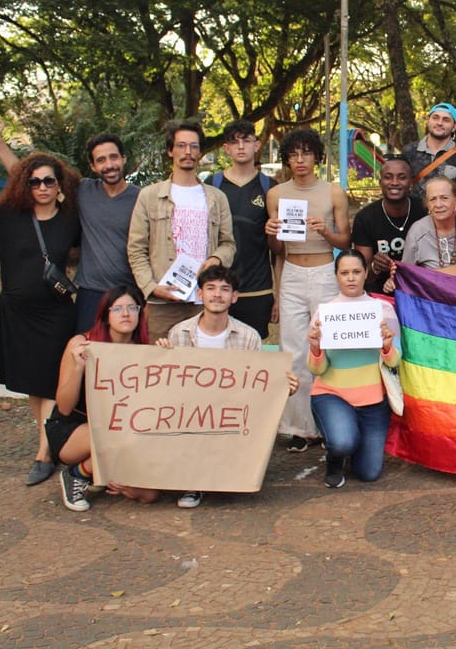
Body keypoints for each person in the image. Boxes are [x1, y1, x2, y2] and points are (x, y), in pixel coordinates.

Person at [0, 148, 81, 486]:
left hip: (56, 313)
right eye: (34, 181)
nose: (41, 187)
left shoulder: (70, 219)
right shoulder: (7, 215)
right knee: (32, 383)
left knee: (50, 379)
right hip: (18, 313)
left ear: (59, 184)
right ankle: (48, 441)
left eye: (48, 181)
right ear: (25, 184)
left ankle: (44, 452)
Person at [158, 264, 297, 507]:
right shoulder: (179, 334)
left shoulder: (249, 336)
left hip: (230, 414)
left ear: (234, 297)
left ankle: (229, 473)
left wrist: (283, 387)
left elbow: (258, 386)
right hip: (192, 414)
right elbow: (170, 389)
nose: (217, 295)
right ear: (199, 294)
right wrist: (161, 360)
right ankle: (192, 483)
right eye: (210, 288)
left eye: (224, 289)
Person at [0, 121, 141, 334]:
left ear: (123, 159)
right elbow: (28, 175)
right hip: (91, 292)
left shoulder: (142, 198)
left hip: (128, 292)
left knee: (125, 358)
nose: (109, 165)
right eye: (101, 160)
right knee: (87, 356)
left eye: (114, 157)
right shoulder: (83, 191)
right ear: (93, 166)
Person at [265, 127, 351, 452]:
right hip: (293, 271)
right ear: (286, 159)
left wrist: (325, 232)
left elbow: (345, 240)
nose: (299, 160)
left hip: (325, 270)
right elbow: (276, 246)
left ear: (317, 156)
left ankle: (328, 424)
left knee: (326, 348)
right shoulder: (276, 194)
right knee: (293, 350)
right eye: (293, 155)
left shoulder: (333, 192)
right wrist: (271, 231)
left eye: (306, 153)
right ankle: (298, 428)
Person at [49, 285, 159, 511]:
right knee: (119, 436)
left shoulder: (143, 350)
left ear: (141, 312)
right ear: (105, 315)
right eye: (117, 309)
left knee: (149, 494)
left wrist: (166, 355)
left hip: (119, 428)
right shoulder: (82, 343)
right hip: (74, 429)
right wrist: (79, 368)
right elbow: (65, 407)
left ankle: (104, 471)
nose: (126, 313)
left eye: (132, 307)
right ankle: (77, 474)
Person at [127, 121, 236, 341]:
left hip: (204, 302)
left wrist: (217, 258)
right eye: (181, 145)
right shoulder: (150, 196)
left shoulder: (217, 198)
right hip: (163, 302)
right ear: (170, 150)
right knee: (161, 367)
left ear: (200, 152)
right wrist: (151, 287)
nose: (188, 152)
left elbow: (228, 243)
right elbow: (136, 249)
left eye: (194, 146)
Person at [306, 250, 401, 489]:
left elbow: (395, 362)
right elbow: (316, 369)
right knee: (343, 443)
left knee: (368, 473)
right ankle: (335, 458)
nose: (351, 278)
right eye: (344, 273)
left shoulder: (383, 310)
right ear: (336, 276)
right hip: (332, 394)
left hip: (373, 401)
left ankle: (350, 439)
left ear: (366, 273)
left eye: (356, 272)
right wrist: (316, 348)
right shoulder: (324, 313)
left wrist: (387, 346)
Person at [209, 120, 277, 338]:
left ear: (257, 145)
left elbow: (279, 250)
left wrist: (278, 293)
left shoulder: (270, 187)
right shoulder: (212, 184)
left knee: (253, 353)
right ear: (225, 148)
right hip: (218, 285)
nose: (240, 146)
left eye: (246, 140)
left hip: (258, 287)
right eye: (234, 141)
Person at [351, 156, 426, 294]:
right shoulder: (365, 218)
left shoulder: (424, 211)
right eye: (388, 177)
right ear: (380, 182)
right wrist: (375, 266)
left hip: (419, 292)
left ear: (411, 182)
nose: (394, 182)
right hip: (380, 295)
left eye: (402, 177)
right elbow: (362, 273)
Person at [401, 102, 456, 204]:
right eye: (435, 118)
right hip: (414, 217)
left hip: (448, 218)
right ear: (428, 121)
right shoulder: (409, 151)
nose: (439, 123)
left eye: (446, 120)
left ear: (454, 127)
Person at [400, 175, 456, 270]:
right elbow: (407, 272)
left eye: (444, 198)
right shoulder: (418, 230)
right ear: (427, 204)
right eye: (432, 199)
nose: (438, 205)